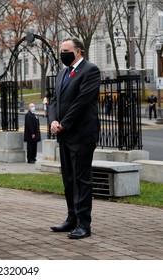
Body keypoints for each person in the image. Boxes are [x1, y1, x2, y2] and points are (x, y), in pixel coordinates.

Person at [48, 38, 101, 239]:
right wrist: (53, 120)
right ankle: (71, 218)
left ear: (77, 51)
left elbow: (82, 101)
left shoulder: (90, 70)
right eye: (61, 50)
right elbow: (55, 100)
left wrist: (64, 123)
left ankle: (84, 224)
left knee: (81, 180)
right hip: (64, 135)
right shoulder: (62, 73)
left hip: (81, 134)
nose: (62, 54)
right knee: (68, 179)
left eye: (65, 50)